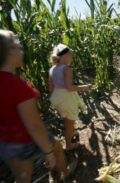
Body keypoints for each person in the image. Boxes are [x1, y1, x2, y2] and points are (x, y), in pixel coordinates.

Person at [0, 30, 76, 182]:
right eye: (18, 47)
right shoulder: (18, 88)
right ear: (10, 52)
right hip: (25, 139)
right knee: (58, 149)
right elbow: (34, 125)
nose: (22, 51)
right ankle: (64, 172)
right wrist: (48, 152)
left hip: (6, 143)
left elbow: (50, 87)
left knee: (23, 177)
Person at [48, 43, 90, 151]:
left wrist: (57, 98)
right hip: (67, 98)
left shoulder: (52, 69)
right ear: (65, 56)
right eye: (71, 55)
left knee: (67, 119)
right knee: (69, 124)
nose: (71, 58)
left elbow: (50, 87)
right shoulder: (67, 69)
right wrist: (85, 87)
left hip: (58, 99)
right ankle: (69, 145)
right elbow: (69, 87)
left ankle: (71, 132)